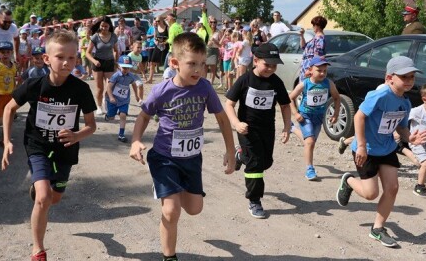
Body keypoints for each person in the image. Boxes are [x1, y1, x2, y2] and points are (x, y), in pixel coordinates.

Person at [129, 32, 236, 261]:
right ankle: (170, 257)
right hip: (164, 157)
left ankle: (173, 193)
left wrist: (230, 150)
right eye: (192, 64)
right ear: (175, 63)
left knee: (195, 208)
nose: (198, 70)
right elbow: (144, 117)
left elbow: (222, 119)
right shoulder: (161, 90)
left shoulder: (205, 88)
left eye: (202, 64)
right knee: (171, 210)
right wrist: (136, 140)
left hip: (191, 158)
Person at [1, 30, 97, 261]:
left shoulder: (80, 89)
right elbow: (8, 108)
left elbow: (91, 126)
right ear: (46, 59)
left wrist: (77, 135)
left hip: (66, 149)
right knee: (43, 198)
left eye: (72, 58)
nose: (66, 62)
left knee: (55, 198)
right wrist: (6, 141)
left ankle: (41, 189)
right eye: (60, 57)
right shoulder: (34, 85)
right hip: (38, 146)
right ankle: (38, 249)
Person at [336, 56, 426, 248]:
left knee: (392, 188)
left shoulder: (405, 103)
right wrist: (361, 145)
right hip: (367, 150)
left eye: (412, 77)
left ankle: (377, 228)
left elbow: (401, 128)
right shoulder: (379, 95)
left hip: (386, 149)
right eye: (404, 76)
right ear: (389, 78)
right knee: (370, 194)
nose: (409, 80)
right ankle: (349, 181)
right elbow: (360, 117)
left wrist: (410, 138)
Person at [224, 42, 291, 219]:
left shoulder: (276, 82)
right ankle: (254, 200)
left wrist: (286, 127)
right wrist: (236, 123)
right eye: (266, 64)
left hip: (267, 129)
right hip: (246, 129)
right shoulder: (245, 80)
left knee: (265, 162)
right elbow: (229, 104)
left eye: (274, 65)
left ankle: (241, 155)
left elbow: (285, 106)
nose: (270, 68)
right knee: (255, 164)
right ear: (255, 60)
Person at [289, 57, 340, 180]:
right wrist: (295, 113)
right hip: (305, 115)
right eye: (319, 70)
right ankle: (309, 169)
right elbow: (290, 98)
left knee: (310, 142)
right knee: (310, 142)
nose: (322, 73)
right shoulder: (305, 84)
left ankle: (293, 129)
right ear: (310, 70)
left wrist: (336, 114)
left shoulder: (329, 83)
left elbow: (337, 98)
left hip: (319, 117)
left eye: (325, 71)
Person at [105, 55, 143, 142]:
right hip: (113, 100)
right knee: (111, 117)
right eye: (124, 67)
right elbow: (109, 87)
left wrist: (137, 96)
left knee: (123, 115)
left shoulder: (130, 76)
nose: (126, 70)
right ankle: (108, 115)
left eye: (128, 68)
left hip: (124, 100)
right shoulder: (115, 76)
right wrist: (110, 97)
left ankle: (121, 134)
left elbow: (133, 84)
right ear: (119, 66)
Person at [86, 16, 118, 115]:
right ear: (100, 26)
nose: (104, 28)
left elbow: (116, 50)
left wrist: (116, 61)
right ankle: (99, 106)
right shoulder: (95, 36)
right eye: (102, 26)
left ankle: (106, 101)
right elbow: (88, 53)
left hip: (109, 62)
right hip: (98, 63)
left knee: (110, 86)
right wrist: (94, 61)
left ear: (109, 26)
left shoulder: (113, 36)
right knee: (99, 88)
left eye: (106, 26)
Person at [299, 16, 327, 81]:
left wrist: (310, 69)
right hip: (306, 66)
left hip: (309, 67)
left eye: (313, 25)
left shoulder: (320, 39)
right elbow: (303, 47)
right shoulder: (315, 38)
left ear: (318, 26)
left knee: (307, 88)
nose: (313, 27)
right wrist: (302, 36)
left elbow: (317, 56)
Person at [148, 16, 168, 83]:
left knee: (166, 63)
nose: (157, 22)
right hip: (158, 46)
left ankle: (165, 79)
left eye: (158, 21)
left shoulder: (167, 28)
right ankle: (150, 78)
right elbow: (155, 37)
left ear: (162, 20)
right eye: (156, 21)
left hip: (165, 46)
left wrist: (165, 42)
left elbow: (170, 38)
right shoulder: (156, 28)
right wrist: (156, 41)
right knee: (152, 62)